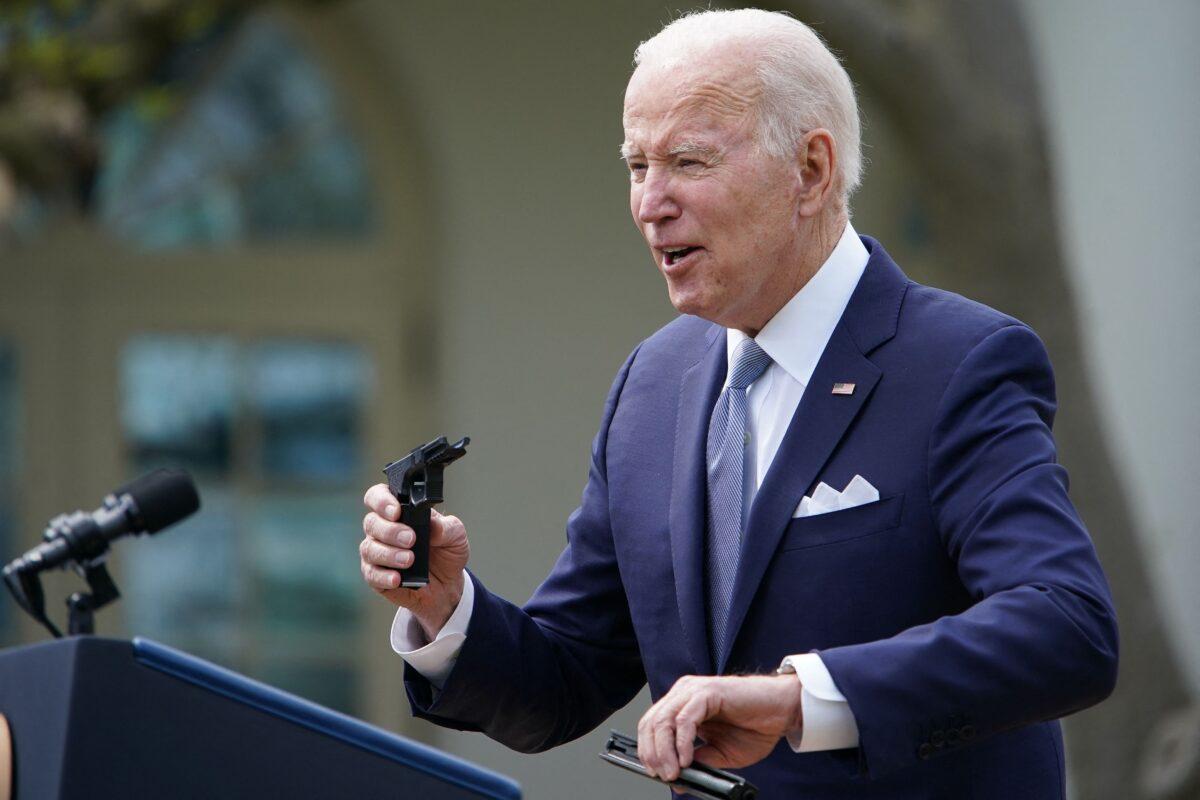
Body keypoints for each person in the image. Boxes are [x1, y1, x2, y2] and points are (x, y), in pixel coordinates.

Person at [359, 9, 1117, 798]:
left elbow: (1066, 627)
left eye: (687, 161)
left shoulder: (959, 362)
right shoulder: (651, 386)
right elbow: (565, 678)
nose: (651, 202)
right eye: (635, 164)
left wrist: (800, 700)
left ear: (812, 170)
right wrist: (448, 612)